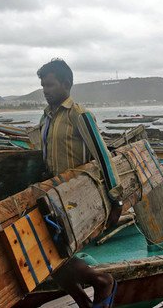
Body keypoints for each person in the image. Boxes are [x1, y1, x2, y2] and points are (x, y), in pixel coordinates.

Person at [36, 59, 117, 308]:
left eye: (49, 84)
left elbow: (104, 157)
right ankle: (84, 299)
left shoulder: (78, 115)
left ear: (66, 84)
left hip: (76, 197)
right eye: (42, 85)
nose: (45, 90)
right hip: (53, 196)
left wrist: (116, 200)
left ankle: (101, 281)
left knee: (54, 253)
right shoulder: (46, 118)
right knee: (50, 256)